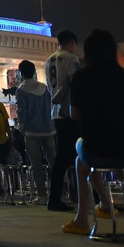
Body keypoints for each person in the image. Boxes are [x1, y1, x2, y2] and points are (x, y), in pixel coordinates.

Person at [60, 29, 124, 235]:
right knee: (88, 162)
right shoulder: (121, 75)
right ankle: (105, 204)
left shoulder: (81, 76)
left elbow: (75, 114)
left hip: (99, 146)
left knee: (81, 158)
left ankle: (82, 219)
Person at [45, 30, 81, 212]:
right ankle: (85, 195)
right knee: (78, 154)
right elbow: (76, 84)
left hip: (56, 112)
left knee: (63, 157)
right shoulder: (71, 58)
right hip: (69, 112)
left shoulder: (49, 60)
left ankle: (58, 197)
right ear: (72, 43)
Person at [15, 59, 56, 204]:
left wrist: (21, 128)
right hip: (48, 129)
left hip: (32, 132)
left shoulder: (21, 90)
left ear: (21, 73)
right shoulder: (44, 88)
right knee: (54, 163)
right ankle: (59, 192)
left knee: (36, 165)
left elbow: (22, 112)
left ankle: (42, 195)